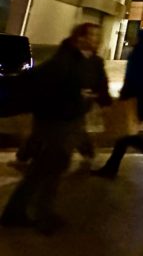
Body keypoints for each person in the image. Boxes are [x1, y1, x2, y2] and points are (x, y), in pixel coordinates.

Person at [2, 24, 107, 234]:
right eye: (90, 35)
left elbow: (100, 85)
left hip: (75, 119)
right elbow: (46, 87)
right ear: (79, 38)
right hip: (55, 120)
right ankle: (34, 213)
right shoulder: (63, 60)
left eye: (97, 35)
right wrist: (77, 95)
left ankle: (23, 211)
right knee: (49, 166)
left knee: (51, 166)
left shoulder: (95, 61)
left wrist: (99, 96)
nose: (95, 39)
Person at [93, 29, 143, 179]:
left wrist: (123, 96)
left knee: (127, 134)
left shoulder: (138, 54)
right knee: (125, 134)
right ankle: (112, 167)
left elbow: (131, 79)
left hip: (132, 100)